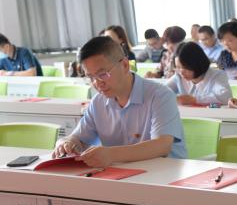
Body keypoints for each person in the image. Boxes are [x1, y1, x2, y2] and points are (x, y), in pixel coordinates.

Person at [53, 36, 186, 165]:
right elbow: (77, 138)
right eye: (90, 77)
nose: (97, 83)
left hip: (165, 174)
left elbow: (162, 146)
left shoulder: (160, 95)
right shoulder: (98, 102)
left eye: (102, 74)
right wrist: (65, 143)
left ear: (125, 65)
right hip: (124, 175)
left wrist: (111, 155)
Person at [166, 42, 231, 106]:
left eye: (185, 67)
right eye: (178, 67)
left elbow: (225, 97)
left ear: (197, 63)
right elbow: (162, 91)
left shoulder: (217, 75)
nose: (181, 72)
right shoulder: (178, 77)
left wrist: (194, 99)